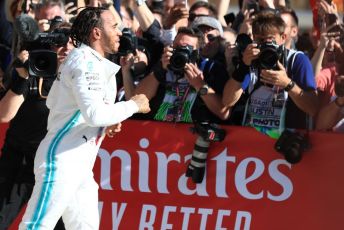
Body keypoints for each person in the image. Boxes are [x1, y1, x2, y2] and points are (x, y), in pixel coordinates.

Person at [19, 6, 150, 229]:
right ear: (97, 33)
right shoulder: (85, 62)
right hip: (61, 161)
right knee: (35, 226)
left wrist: (104, 125)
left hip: (80, 166)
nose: (120, 32)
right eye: (115, 26)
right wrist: (132, 105)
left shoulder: (91, 62)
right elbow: (94, 114)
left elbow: (63, 106)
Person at [0, 21, 73, 230]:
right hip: (20, 159)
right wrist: (21, 78)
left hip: (56, 165)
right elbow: (4, 115)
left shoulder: (83, 76)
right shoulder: (34, 67)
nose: (65, 48)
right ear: (50, 45)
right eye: (59, 42)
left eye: (72, 42)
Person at [222, 11, 318, 138]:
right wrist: (243, 66)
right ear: (253, 38)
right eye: (260, 39)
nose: (266, 44)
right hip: (251, 141)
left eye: (271, 39)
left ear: (283, 38)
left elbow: (312, 108)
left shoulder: (297, 60)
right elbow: (228, 101)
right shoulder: (250, 60)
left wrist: (288, 84)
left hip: (286, 143)